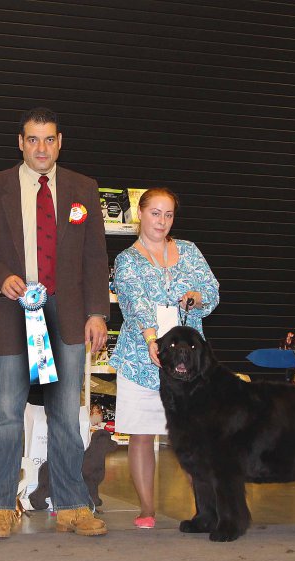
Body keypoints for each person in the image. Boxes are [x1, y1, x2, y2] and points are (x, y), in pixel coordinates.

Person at [0, 107, 110, 539]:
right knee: (6, 414)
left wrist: (97, 312)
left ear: (60, 141)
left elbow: (95, 257)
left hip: (67, 317)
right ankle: (1, 505)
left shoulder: (84, 188)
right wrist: (0, 278)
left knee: (66, 413)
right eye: (32, 139)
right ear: (20, 142)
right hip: (12, 312)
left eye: (48, 140)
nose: (40, 148)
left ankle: (71, 506)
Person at [109, 187, 219, 528]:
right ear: (140, 214)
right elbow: (134, 303)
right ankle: (147, 509)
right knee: (142, 434)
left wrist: (197, 297)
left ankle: (206, 508)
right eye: (155, 213)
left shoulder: (189, 251)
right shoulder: (127, 259)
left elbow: (212, 290)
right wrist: (152, 340)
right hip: (143, 357)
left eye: (169, 214)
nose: (162, 221)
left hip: (189, 361)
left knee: (194, 435)